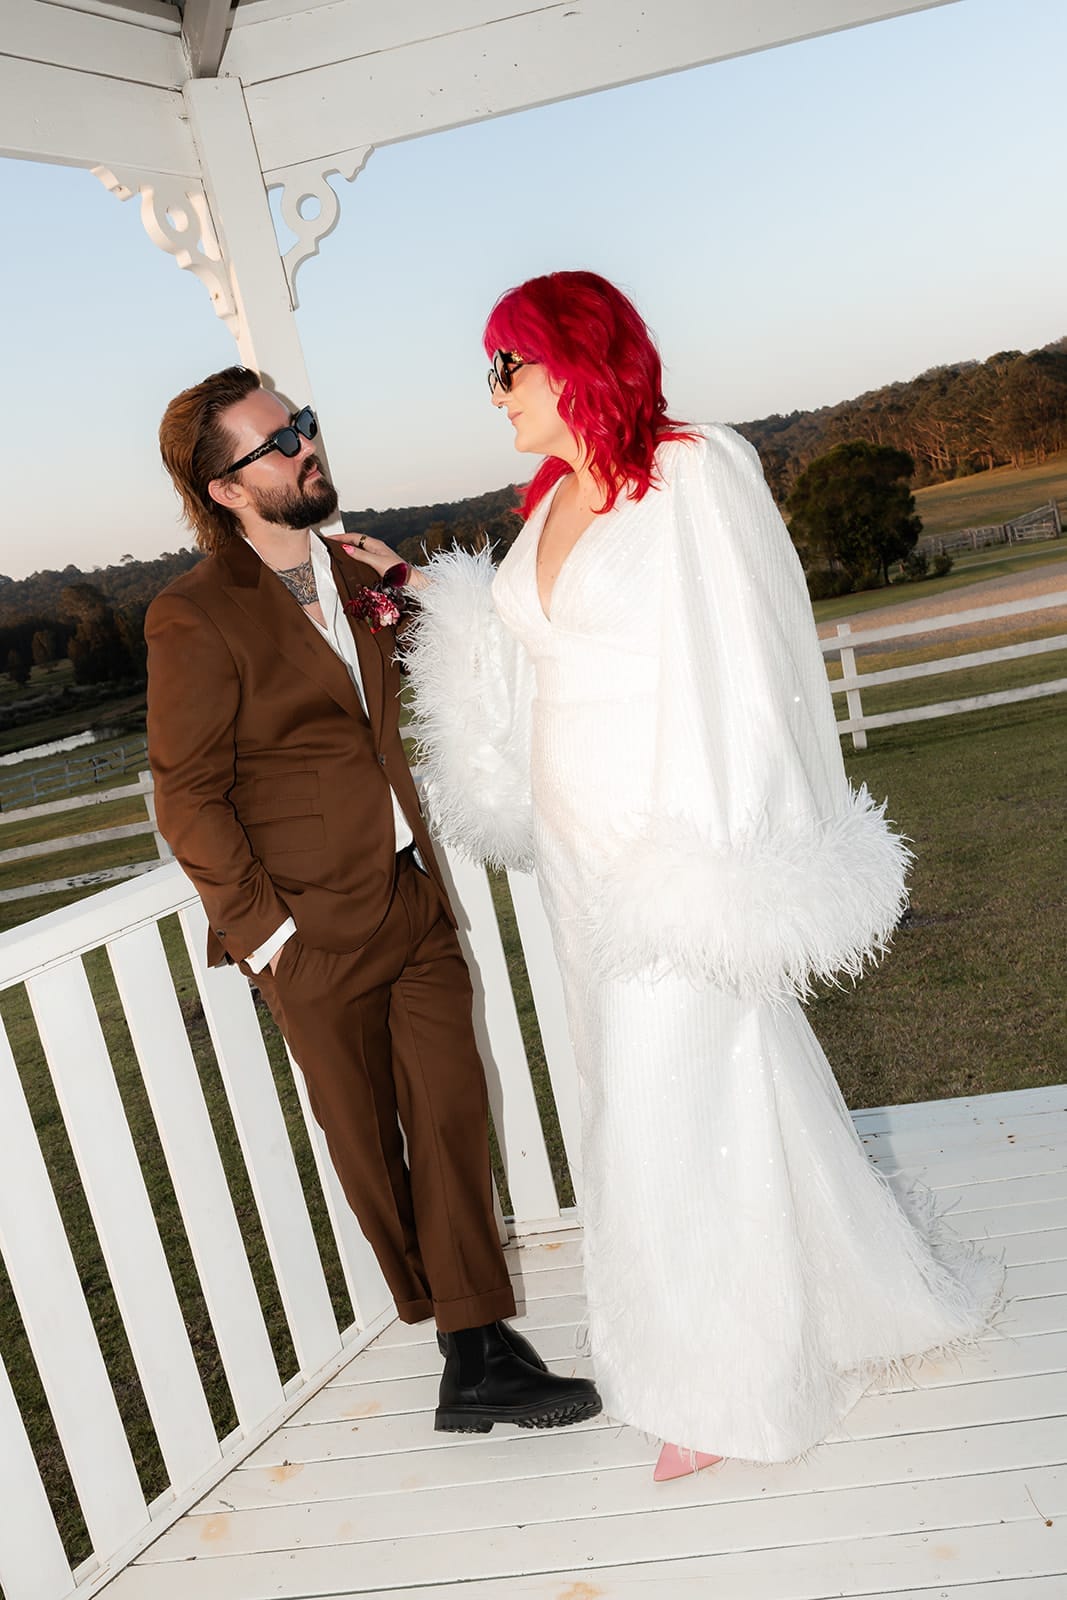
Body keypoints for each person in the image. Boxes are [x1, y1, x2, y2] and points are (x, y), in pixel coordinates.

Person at [350, 272, 1000, 1478]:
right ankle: (826, 1305)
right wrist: (416, 591)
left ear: (571, 356)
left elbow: (748, 661)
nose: (493, 392)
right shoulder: (551, 501)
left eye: (505, 366)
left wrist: (719, 847)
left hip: (674, 849)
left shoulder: (690, 470)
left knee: (676, 1094)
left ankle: (722, 1384)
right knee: (648, 1086)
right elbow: (527, 647)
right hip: (578, 860)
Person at [146, 366, 601, 1436]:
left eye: (301, 425)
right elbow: (188, 796)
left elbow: (473, 655)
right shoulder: (193, 614)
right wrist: (272, 941)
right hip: (308, 932)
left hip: (410, 898)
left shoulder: (358, 571)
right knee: (371, 1146)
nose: (305, 446)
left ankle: (476, 1351)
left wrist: (411, 581)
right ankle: (462, 1339)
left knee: (450, 1114)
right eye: (276, 443)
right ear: (225, 489)